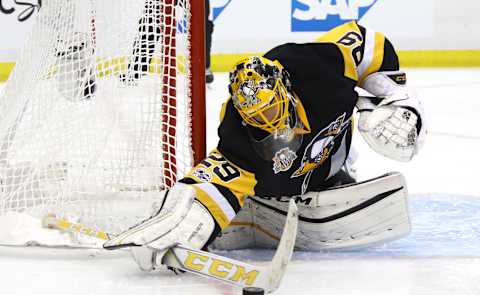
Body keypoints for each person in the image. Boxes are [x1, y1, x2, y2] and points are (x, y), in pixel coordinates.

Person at [104, 21, 427, 271]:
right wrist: (199, 204)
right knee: (261, 181)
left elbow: (365, 40)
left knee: (367, 145)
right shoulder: (236, 131)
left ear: (285, 91)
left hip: (332, 156)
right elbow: (221, 173)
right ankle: (265, 204)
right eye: (257, 117)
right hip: (284, 178)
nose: (269, 123)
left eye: (271, 111)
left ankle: (332, 178)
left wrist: (387, 92)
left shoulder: (317, 67)